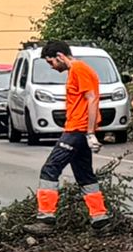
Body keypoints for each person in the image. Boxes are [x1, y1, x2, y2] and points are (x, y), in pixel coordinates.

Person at [33, 40, 107, 233]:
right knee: (85, 175)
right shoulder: (77, 70)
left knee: (50, 169)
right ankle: (100, 218)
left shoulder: (79, 69)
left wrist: (90, 132)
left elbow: (92, 99)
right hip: (80, 130)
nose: (52, 67)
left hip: (76, 131)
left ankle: (45, 218)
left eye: (51, 62)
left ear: (60, 56)